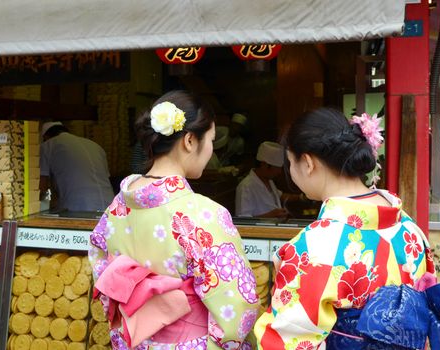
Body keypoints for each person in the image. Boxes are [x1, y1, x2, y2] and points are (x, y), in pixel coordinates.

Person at [254, 108, 439, 349]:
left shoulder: (316, 246)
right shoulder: (409, 228)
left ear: (308, 163)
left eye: (290, 162)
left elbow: (287, 341)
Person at [88, 91, 259, 349]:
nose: (212, 148)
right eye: (211, 140)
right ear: (190, 141)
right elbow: (236, 306)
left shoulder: (115, 209)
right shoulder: (202, 214)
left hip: (133, 340)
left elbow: (105, 278)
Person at [39, 121, 114, 212]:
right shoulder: (94, 145)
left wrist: (42, 209)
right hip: (110, 203)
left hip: (80, 205)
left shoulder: (47, 146)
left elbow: (42, 184)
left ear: (46, 137)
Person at [235, 141, 300, 218]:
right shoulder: (245, 187)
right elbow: (243, 220)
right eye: (277, 168)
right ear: (264, 165)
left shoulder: (270, 181)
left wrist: (301, 197)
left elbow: (281, 196)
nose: (279, 172)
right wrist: (271, 215)